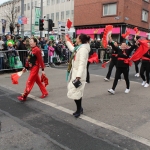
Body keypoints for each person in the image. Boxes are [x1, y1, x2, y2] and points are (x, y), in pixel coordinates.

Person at [65, 34, 90, 118]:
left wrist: (78, 76)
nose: (76, 38)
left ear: (80, 39)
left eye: (77, 37)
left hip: (79, 75)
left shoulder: (83, 49)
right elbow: (72, 49)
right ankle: (79, 108)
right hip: (75, 73)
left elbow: (82, 64)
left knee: (76, 92)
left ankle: (79, 110)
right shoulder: (79, 47)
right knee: (75, 91)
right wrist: (67, 41)